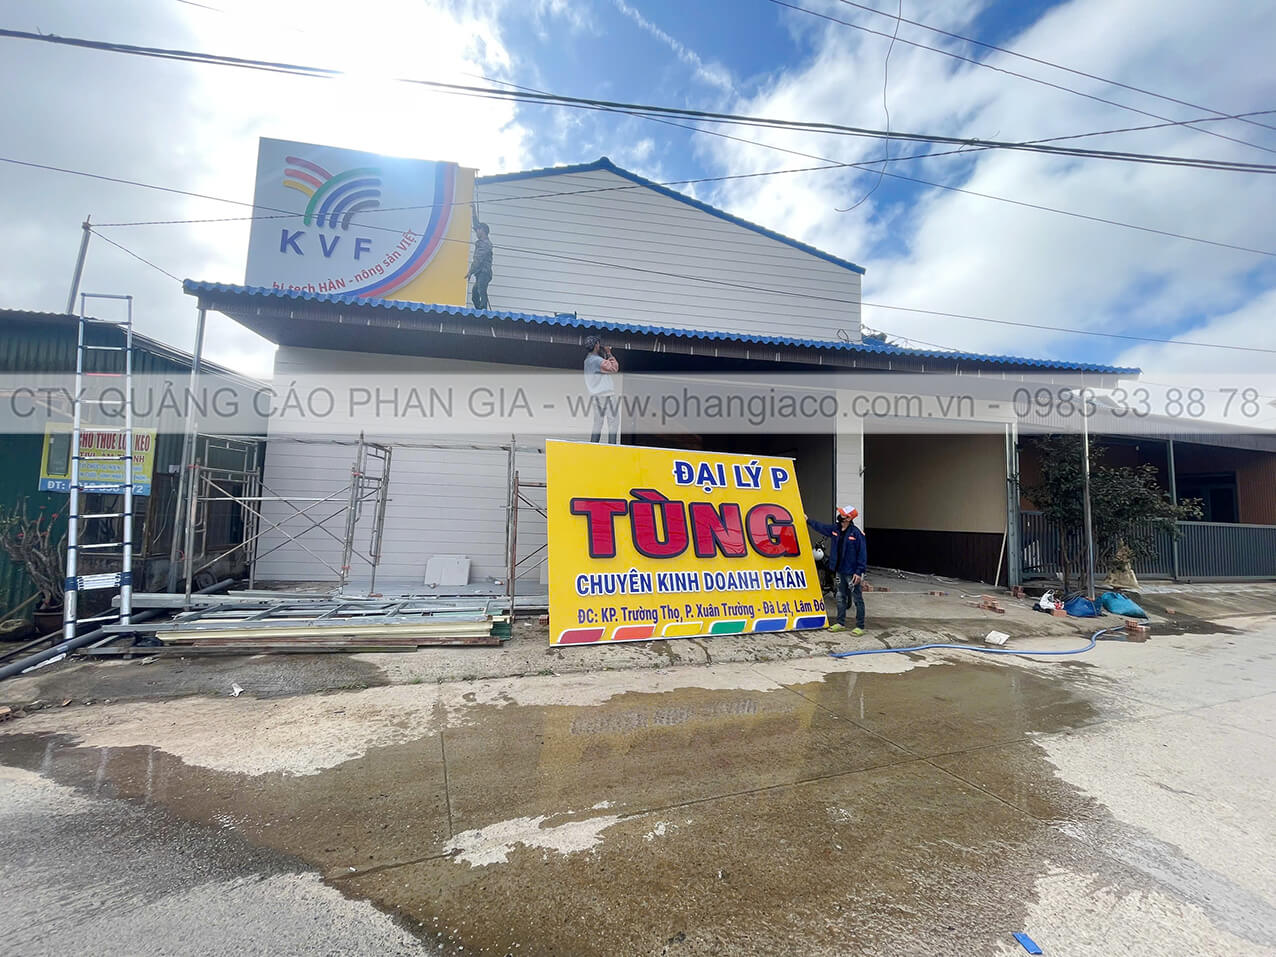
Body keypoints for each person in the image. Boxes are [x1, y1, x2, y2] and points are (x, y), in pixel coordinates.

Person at [806, 505, 867, 634]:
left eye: (843, 514)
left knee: (857, 599)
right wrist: (808, 520)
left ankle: (860, 626)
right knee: (840, 597)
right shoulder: (836, 529)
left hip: (852, 573)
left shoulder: (856, 533)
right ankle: (840, 623)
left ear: (848, 518)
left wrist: (859, 572)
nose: (840, 515)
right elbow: (822, 527)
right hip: (839, 571)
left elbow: (862, 554)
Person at [583, 335, 620, 443]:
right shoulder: (598, 361)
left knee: (598, 423)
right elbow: (614, 368)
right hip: (606, 396)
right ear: (596, 345)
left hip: (595, 397)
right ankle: (612, 447)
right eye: (598, 344)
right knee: (613, 422)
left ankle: (593, 446)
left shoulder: (587, 361)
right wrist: (609, 353)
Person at [467, 203, 493, 310]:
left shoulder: (485, 244)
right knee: (475, 295)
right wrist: (473, 211)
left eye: (478, 230)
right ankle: (479, 311)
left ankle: (483, 311)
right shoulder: (482, 241)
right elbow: (476, 224)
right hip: (480, 273)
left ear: (482, 231)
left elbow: (478, 259)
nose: (476, 232)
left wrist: (470, 271)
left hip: (484, 272)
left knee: (481, 290)